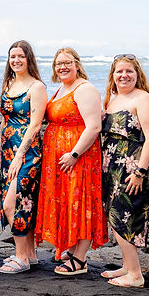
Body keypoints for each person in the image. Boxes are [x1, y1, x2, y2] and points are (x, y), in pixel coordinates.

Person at [35, 47, 107, 276]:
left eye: (67, 62)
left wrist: (74, 154)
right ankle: (73, 248)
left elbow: (94, 126)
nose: (62, 67)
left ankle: (80, 259)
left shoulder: (85, 89)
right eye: (58, 64)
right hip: (60, 160)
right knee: (68, 202)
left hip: (80, 158)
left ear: (77, 64)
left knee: (82, 202)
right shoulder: (61, 89)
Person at [99, 54, 149, 288]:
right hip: (111, 166)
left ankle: (135, 275)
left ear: (137, 74)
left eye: (129, 72)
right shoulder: (112, 99)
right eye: (119, 72)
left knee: (126, 216)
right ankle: (127, 265)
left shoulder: (143, 99)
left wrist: (140, 171)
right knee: (114, 215)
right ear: (112, 76)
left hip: (133, 166)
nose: (124, 75)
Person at [0, 40, 48, 274]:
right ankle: (30, 254)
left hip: (27, 153)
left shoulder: (36, 87)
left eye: (20, 56)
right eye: (12, 56)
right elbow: (5, 118)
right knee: (24, 202)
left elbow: (36, 123)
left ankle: (21, 258)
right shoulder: (9, 83)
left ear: (29, 59)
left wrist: (19, 155)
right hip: (7, 153)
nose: (16, 60)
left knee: (14, 203)